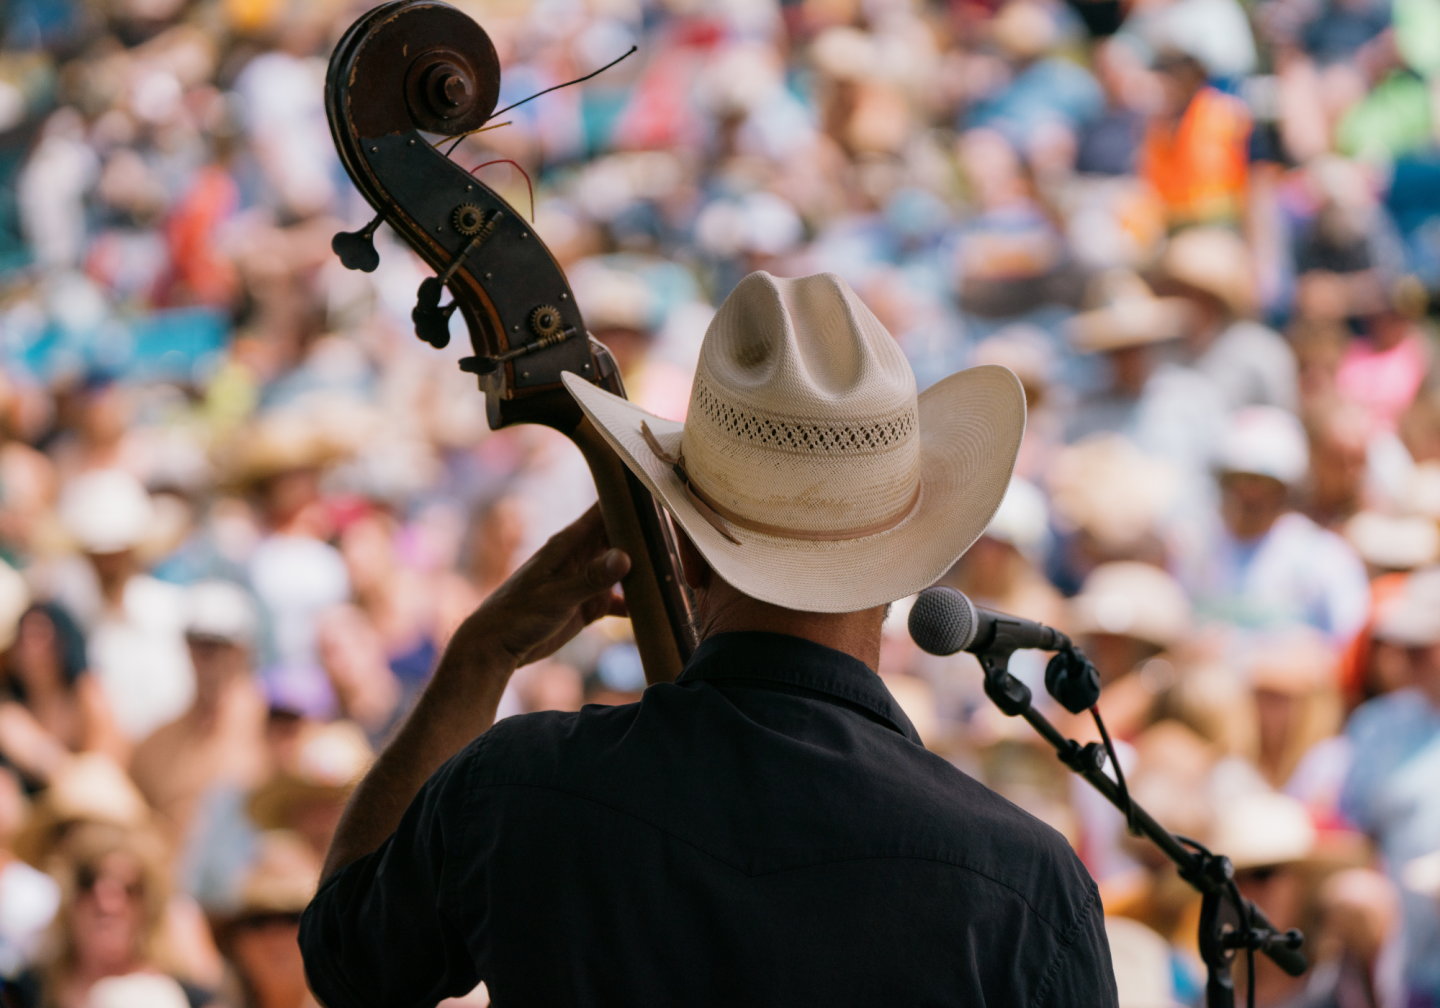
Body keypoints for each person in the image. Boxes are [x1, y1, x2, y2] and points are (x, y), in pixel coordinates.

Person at [300, 272, 1117, 1005]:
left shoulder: (512, 791)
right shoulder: (1023, 886)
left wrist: (481, 656)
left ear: (684, 544)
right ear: (907, 563)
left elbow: (348, 963)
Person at [1178, 407, 1371, 643]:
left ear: (1285, 487)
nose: (1248, 493)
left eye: (1261, 482)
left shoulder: (1324, 557)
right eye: (1239, 479)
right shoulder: (1194, 550)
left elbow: (1349, 649)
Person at [1341, 567, 1440, 1003]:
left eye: (1423, 646)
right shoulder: (1376, 726)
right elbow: (1352, 838)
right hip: (1404, 965)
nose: (1409, 658)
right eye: (1405, 646)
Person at [55, 470, 194, 743]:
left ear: (133, 549)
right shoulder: (68, 620)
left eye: (114, 553)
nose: (106, 564)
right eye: (98, 554)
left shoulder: (172, 610)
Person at [129, 581, 270, 851]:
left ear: (242, 651)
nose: (209, 658)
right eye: (199, 645)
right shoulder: (156, 743)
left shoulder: (275, 723)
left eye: (220, 646)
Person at [0, 603, 124, 787]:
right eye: (24, 637)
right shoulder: (9, 704)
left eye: (40, 636)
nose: (31, 649)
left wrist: (42, 756)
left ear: (64, 641)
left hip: (84, 802)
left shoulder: (88, 695)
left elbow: (105, 774)